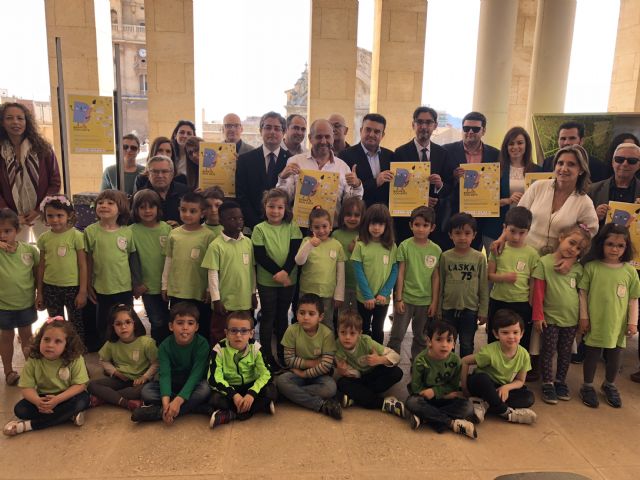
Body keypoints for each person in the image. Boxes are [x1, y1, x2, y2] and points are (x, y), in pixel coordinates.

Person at [578, 223, 640, 408]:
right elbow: (583, 294)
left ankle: (609, 384)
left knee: (615, 357)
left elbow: (633, 299)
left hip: (617, 325)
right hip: (595, 322)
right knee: (592, 355)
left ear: (626, 247)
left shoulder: (630, 272)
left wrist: (633, 322)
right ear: (601, 244)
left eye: (620, 246)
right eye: (610, 244)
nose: (615, 249)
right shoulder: (591, 267)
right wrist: (584, 317)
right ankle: (587, 386)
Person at [495, 145, 599, 255]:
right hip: (525, 253)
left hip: (555, 260)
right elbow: (515, 218)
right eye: (560, 163)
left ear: (581, 170)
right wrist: (502, 238)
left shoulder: (584, 202)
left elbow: (589, 233)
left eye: (571, 164)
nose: (564, 168)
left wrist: (571, 258)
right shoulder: (538, 186)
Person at [532, 224, 591, 404]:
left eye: (578, 248)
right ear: (561, 237)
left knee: (565, 353)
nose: (573, 249)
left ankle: (560, 382)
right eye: (572, 243)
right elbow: (538, 292)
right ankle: (548, 383)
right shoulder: (544, 262)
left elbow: (581, 294)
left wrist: (582, 317)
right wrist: (538, 316)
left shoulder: (578, 268)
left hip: (571, 320)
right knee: (548, 351)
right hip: (550, 319)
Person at [3, 317, 89, 436]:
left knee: (83, 401)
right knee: (20, 409)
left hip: (67, 396)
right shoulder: (34, 359)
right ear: (40, 339)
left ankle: (29, 425)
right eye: (46, 339)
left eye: (57, 341)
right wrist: (37, 401)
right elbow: (26, 387)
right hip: (43, 398)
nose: (50, 345)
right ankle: (68, 415)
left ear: (67, 345)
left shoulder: (75, 358)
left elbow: (80, 385)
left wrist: (57, 399)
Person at [131, 302, 210, 423]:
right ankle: (194, 407)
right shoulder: (164, 346)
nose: (185, 327)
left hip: (193, 383)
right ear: (171, 326)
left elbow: (196, 375)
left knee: (205, 389)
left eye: (190, 323)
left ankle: (159, 412)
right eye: (180, 323)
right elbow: (165, 375)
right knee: (147, 392)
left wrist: (178, 401)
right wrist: (166, 402)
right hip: (173, 383)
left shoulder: (202, 344)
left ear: (196, 327)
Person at [251, 188, 303, 368]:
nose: (275, 211)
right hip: (267, 282)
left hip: (289, 280)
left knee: (282, 316)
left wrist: (285, 272)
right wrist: (279, 274)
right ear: (264, 207)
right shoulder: (259, 229)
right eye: (271, 206)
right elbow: (260, 256)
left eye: (280, 207)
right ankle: (266, 356)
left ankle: (283, 354)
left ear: (286, 209)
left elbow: (295, 252)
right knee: (268, 316)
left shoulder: (292, 227)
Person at [277, 119, 364, 224]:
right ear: (310, 138)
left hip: (331, 228)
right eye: (319, 137)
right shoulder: (295, 162)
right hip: (299, 228)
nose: (323, 141)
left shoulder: (343, 167)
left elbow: (350, 204)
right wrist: (283, 178)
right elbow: (284, 198)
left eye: (327, 137)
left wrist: (356, 185)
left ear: (332, 138)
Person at [461, 309, 537, 425]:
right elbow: (465, 361)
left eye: (515, 332)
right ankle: (507, 413)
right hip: (483, 385)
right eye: (505, 333)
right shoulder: (489, 352)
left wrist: (507, 387)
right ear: (496, 334)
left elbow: (520, 381)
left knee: (529, 397)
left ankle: (484, 404)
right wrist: (464, 388)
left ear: (521, 334)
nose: (511, 336)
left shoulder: (524, 355)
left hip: (501, 388)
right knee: (482, 379)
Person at [0, 102, 61, 242]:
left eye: (20, 118)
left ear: (27, 121)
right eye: (9, 118)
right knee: (15, 252)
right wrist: (10, 214)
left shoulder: (43, 148)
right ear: (2, 122)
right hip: (11, 217)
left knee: (49, 249)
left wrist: (39, 209)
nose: (15, 122)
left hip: (43, 212)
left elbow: (55, 182)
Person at [275, 293, 342, 419]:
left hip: (319, 375)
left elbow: (326, 366)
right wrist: (310, 363)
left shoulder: (327, 334)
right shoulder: (291, 331)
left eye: (311, 314)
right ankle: (320, 405)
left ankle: (287, 395)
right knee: (282, 380)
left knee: (330, 387)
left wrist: (304, 374)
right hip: (296, 373)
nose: (306, 317)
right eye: (302, 313)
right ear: (296, 314)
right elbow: (289, 360)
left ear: (320, 317)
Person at [406, 321, 476, 438]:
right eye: (439, 339)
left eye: (449, 340)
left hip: (445, 397)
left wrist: (436, 392)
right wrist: (432, 393)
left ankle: (425, 418)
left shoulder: (456, 361)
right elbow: (416, 388)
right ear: (429, 342)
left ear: (454, 344)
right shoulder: (420, 360)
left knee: (468, 407)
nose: (444, 345)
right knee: (412, 402)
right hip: (425, 398)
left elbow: (453, 386)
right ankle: (450, 423)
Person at [207, 311, 277, 428]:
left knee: (271, 391)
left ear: (251, 333)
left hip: (251, 386)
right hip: (230, 388)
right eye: (233, 330)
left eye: (244, 331)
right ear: (226, 333)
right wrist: (234, 395)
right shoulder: (218, 350)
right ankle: (257, 408)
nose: (238, 335)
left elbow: (267, 373)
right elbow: (214, 378)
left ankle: (231, 414)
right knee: (215, 399)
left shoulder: (256, 348)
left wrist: (252, 393)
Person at [388, 206, 441, 361]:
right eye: (417, 225)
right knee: (397, 335)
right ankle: (391, 364)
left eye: (425, 225)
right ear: (411, 225)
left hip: (425, 302)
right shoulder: (404, 246)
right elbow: (400, 273)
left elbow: (436, 278)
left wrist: (434, 302)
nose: (420, 229)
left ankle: (418, 365)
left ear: (432, 228)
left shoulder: (436, 250)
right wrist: (398, 298)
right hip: (406, 299)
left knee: (421, 337)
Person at [84, 190, 135, 351]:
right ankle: (107, 351)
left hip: (124, 287)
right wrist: (87, 284)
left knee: (125, 320)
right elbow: (88, 260)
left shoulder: (127, 231)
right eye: (100, 203)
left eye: (110, 203)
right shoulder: (90, 231)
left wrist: (136, 283)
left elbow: (131, 259)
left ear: (120, 209)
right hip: (101, 287)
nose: (104, 205)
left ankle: (125, 349)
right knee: (103, 322)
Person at [161, 191, 216, 341]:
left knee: (201, 327)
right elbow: (168, 260)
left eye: (193, 211)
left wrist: (209, 289)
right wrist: (164, 285)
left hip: (199, 292)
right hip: (177, 290)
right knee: (179, 327)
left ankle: (201, 354)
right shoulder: (174, 234)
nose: (187, 214)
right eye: (183, 210)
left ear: (202, 213)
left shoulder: (209, 236)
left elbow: (212, 266)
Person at [393, 106, 452, 244]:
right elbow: (397, 188)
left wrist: (440, 185)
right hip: (407, 222)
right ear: (413, 124)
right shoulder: (400, 153)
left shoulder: (443, 153)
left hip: (433, 223)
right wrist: (421, 200)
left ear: (435, 125)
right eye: (419, 122)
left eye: (428, 122)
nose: (424, 126)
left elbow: (450, 186)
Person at [442, 111, 499, 250]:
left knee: (474, 253)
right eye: (466, 128)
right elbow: (441, 180)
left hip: (482, 214)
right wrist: (453, 177)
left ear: (483, 131)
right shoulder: (446, 150)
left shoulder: (495, 154)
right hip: (453, 213)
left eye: (475, 129)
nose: (470, 132)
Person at [202, 200, 256, 345]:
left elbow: (251, 270)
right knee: (220, 334)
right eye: (232, 219)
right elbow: (212, 274)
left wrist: (253, 293)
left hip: (244, 301)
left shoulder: (248, 242)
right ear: (221, 221)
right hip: (225, 303)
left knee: (243, 334)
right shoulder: (216, 246)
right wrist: (216, 300)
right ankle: (218, 357)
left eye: (240, 218)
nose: (238, 222)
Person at [35, 195, 87, 342]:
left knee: (76, 323)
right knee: (55, 323)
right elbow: (41, 267)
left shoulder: (77, 236)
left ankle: (77, 351)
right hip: (50, 287)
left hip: (72, 288)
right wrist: (39, 293)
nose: (55, 219)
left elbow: (83, 265)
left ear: (69, 215)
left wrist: (82, 291)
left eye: (59, 215)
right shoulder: (44, 238)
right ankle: (59, 348)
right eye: (50, 216)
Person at [487, 207, 539, 352]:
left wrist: (531, 301)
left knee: (520, 339)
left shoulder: (532, 254)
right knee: (495, 337)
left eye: (522, 233)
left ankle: (519, 366)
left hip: (521, 302)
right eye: (512, 231)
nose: (516, 237)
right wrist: (503, 277)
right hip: (498, 300)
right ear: (504, 228)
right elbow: (489, 275)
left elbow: (533, 280)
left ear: (528, 231)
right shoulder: (498, 248)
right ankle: (492, 363)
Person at [334, 309, 404, 417]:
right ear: (337, 331)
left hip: (373, 375)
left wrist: (379, 360)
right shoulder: (337, 345)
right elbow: (352, 373)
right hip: (358, 379)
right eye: (343, 332)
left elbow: (396, 357)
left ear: (359, 334)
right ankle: (383, 403)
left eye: (352, 333)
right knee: (341, 383)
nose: (347, 337)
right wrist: (344, 371)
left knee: (397, 372)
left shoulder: (366, 342)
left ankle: (357, 396)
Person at [88, 304, 158, 410]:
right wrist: (116, 373)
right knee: (91, 385)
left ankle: (105, 397)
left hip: (139, 381)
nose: (123, 327)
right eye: (118, 324)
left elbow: (156, 363)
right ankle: (126, 403)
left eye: (128, 322)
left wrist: (145, 377)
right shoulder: (111, 343)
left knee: (141, 391)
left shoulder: (147, 343)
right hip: (120, 379)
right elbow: (103, 360)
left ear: (134, 323)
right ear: (113, 326)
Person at [481, 127, 540, 252]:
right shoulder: (494, 170)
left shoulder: (538, 171)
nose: (515, 147)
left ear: (527, 145)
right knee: (494, 262)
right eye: (511, 143)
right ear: (506, 147)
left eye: (520, 143)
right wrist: (507, 200)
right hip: (495, 228)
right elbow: (485, 202)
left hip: (525, 230)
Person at [439, 213, 488, 357]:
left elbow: (483, 286)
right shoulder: (445, 256)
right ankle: (449, 369)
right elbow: (440, 283)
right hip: (448, 309)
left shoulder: (479, 258)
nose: (462, 237)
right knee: (447, 343)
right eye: (458, 233)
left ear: (474, 235)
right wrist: (438, 308)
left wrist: (483, 310)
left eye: (467, 233)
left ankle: (464, 369)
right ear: (450, 235)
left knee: (467, 344)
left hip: (470, 310)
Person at [0, 208, 39, 386]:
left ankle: (31, 370)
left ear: (17, 231)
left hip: (26, 303)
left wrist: (40, 294)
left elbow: (37, 274)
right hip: (3, 306)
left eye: (7, 231)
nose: (2, 235)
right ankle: (8, 371)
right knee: (6, 337)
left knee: (27, 337)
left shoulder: (29, 250)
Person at [351, 204, 398, 344]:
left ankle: (377, 354)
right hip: (364, 298)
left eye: (380, 224)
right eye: (373, 223)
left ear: (387, 226)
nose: (376, 228)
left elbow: (394, 271)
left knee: (378, 329)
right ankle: (363, 354)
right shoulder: (360, 244)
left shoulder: (392, 246)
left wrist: (384, 293)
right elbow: (358, 271)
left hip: (382, 299)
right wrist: (368, 295)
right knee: (364, 329)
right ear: (366, 224)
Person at [236, 112, 291, 229]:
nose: (272, 132)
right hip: (252, 226)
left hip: (281, 227)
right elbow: (241, 195)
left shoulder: (290, 161)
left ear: (283, 132)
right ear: (261, 130)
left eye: (277, 128)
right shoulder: (245, 160)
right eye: (268, 127)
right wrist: (257, 225)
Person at [130, 189, 172, 343]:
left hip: (169, 286)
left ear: (158, 208)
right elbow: (130, 260)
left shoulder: (167, 229)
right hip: (147, 287)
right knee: (156, 321)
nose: (147, 211)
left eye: (151, 206)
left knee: (170, 320)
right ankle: (158, 349)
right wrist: (137, 283)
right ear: (135, 209)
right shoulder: (131, 231)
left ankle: (169, 349)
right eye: (142, 207)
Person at [295, 207, 346, 331]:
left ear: (331, 227)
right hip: (307, 291)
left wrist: (339, 295)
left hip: (327, 294)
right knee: (306, 322)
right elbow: (299, 261)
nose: (321, 230)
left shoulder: (336, 245)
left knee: (327, 323)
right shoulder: (307, 241)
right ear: (311, 228)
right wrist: (310, 245)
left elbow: (340, 273)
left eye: (324, 226)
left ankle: (327, 344)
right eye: (317, 227)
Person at [339, 113, 394, 208]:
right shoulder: (345, 156)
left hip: (384, 213)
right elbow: (346, 191)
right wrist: (375, 182)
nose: (371, 134)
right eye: (368, 130)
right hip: (359, 213)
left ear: (383, 135)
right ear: (361, 130)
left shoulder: (390, 156)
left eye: (377, 131)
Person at [589, 142, 640, 227]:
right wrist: (594, 216)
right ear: (613, 162)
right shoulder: (592, 190)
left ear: (639, 165)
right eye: (619, 159)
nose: (625, 164)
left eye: (632, 161)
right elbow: (580, 223)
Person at [541, 121, 608, 183]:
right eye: (563, 138)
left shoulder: (597, 166)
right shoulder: (548, 163)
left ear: (581, 141)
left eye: (572, 138)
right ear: (558, 141)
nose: (566, 142)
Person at [331, 196, 366, 311]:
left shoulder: (365, 235)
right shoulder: (336, 234)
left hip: (360, 286)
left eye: (357, 215)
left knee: (358, 317)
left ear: (362, 217)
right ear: (342, 216)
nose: (352, 218)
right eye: (348, 214)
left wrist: (357, 250)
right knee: (341, 316)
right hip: (341, 286)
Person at [135, 155, 189, 226]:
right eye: (155, 171)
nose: (160, 175)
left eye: (164, 171)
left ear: (172, 174)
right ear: (148, 174)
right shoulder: (139, 196)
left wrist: (181, 227)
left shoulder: (185, 192)